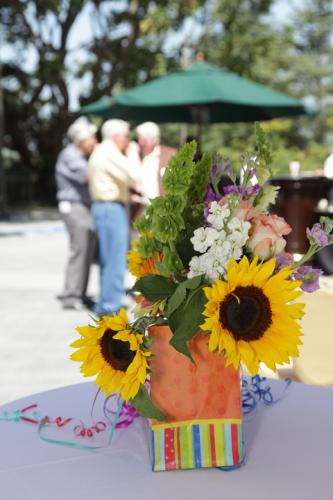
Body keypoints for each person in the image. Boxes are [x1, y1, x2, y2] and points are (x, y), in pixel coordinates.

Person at [88, 119, 141, 315]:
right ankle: (110, 305)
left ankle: (107, 302)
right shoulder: (109, 151)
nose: (128, 141)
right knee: (115, 259)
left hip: (106, 207)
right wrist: (133, 152)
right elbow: (135, 175)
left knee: (108, 258)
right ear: (117, 136)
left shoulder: (103, 151)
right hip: (111, 208)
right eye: (127, 136)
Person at [55, 117, 97, 310]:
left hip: (82, 207)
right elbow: (89, 176)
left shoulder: (79, 156)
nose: (95, 142)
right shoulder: (70, 155)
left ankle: (80, 292)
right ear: (82, 140)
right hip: (75, 206)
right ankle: (71, 296)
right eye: (92, 138)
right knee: (79, 250)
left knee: (86, 251)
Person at [136, 122, 176, 200]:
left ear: (156, 140)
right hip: (141, 207)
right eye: (139, 139)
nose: (141, 143)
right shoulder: (134, 154)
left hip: (164, 206)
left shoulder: (170, 155)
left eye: (144, 140)